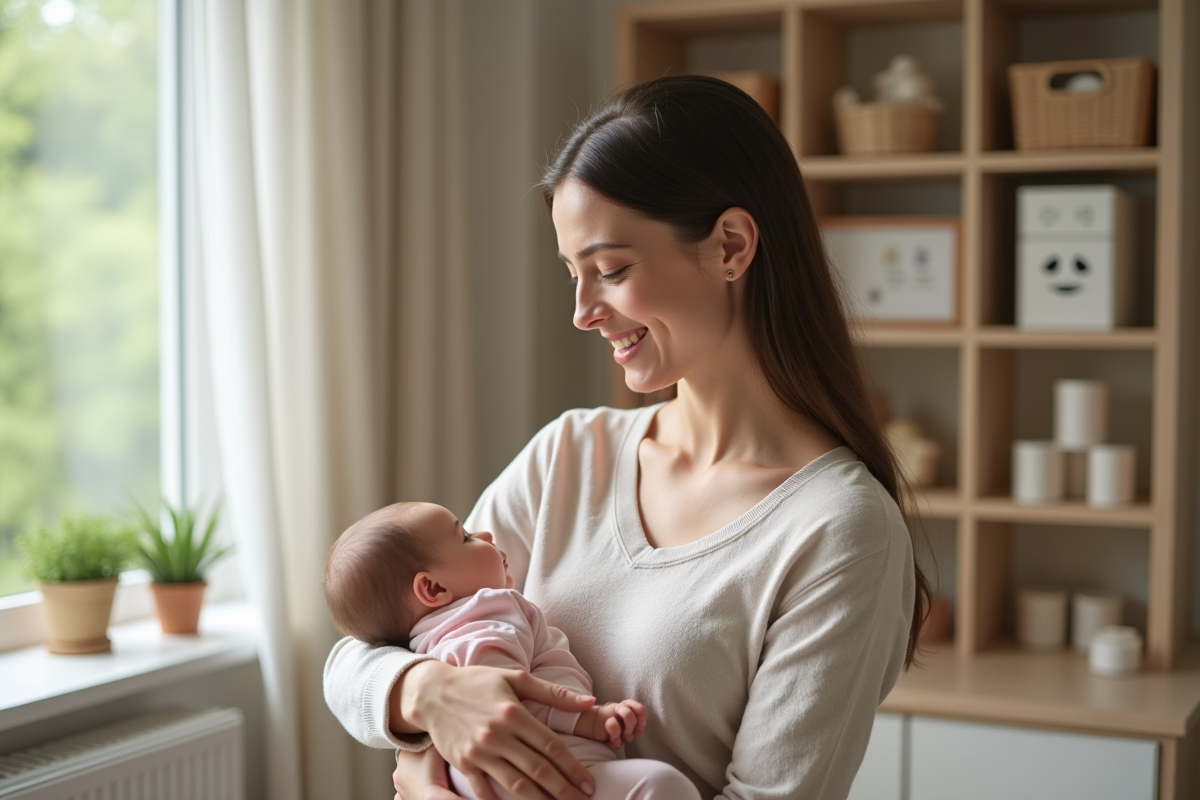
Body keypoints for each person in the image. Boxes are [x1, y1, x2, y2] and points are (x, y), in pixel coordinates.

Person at [324, 74, 930, 800]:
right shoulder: (569, 456)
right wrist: (426, 694)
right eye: (573, 275)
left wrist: (425, 782)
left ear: (731, 246)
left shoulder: (838, 530)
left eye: (610, 270)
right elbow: (367, 645)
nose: (583, 311)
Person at [322, 501, 702, 800]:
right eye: (467, 537)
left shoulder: (429, 636)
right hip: (530, 776)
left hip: (478, 781)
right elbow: (503, 700)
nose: (486, 532)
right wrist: (589, 719)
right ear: (433, 590)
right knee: (663, 788)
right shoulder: (488, 613)